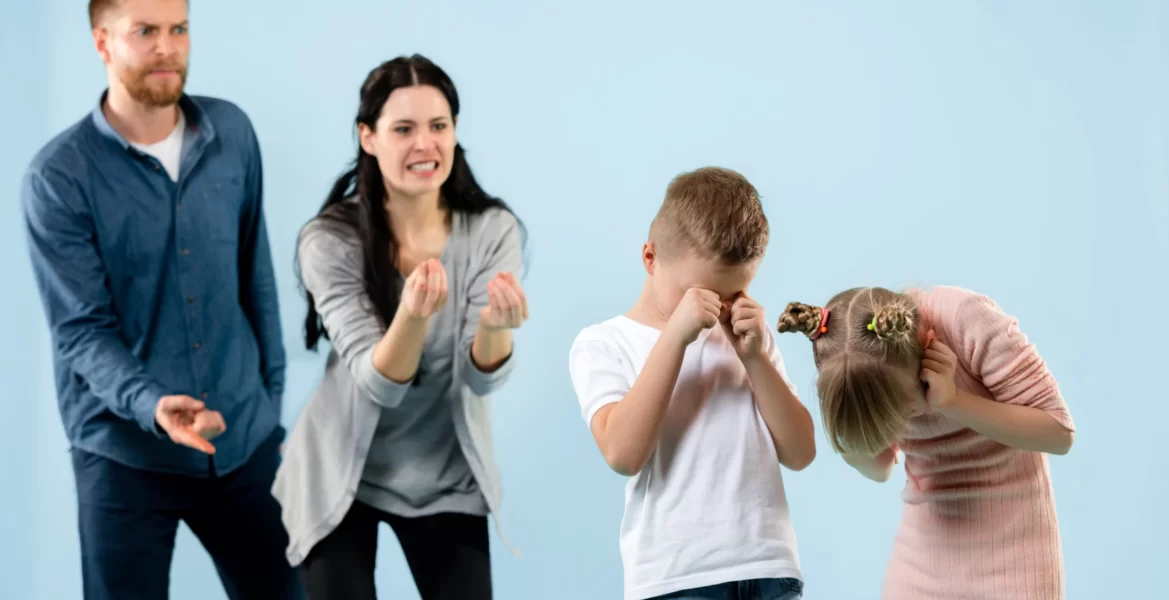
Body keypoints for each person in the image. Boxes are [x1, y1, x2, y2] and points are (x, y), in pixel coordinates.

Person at [20, 0, 301, 598]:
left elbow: (256, 274)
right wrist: (152, 404)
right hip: (124, 459)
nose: (166, 48)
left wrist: (269, 402)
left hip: (241, 439)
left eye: (178, 29)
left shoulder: (232, 133)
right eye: (144, 31)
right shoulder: (59, 178)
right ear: (103, 42)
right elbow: (82, 332)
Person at [272, 54, 528, 600]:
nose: (425, 145)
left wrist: (494, 328)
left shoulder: (491, 229)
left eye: (439, 126)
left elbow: (481, 379)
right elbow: (378, 381)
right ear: (367, 137)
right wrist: (411, 314)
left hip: (446, 476)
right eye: (403, 129)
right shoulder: (329, 239)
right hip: (342, 474)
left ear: (456, 132)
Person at [567, 167, 816, 600]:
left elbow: (800, 453)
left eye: (734, 295)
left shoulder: (748, 341)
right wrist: (675, 338)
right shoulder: (603, 343)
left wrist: (754, 357)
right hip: (677, 578)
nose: (719, 309)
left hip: (770, 567)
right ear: (650, 257)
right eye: (699, 293)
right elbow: (623, 454)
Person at [776, 285, 1076, 599]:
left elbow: (1058, 433)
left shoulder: (964, 319)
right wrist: (850, 431)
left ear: (926, 350)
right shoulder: (858, 369)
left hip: (1015, 552)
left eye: (902, 408)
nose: (901, 424)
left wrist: (953, 401)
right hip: (922, 552)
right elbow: (880, 469)